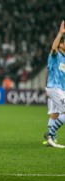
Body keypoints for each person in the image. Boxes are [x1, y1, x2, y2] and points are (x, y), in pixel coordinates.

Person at [43, 20, 65, 148]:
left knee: (55, 114)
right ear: (61, 44)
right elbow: (53, 48)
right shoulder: (55, 55)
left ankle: (51, 136)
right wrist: (60, 33)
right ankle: (51, 135)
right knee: (55, 113)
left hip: (61, 90)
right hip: (54, 88)